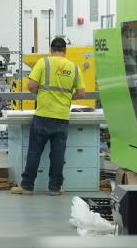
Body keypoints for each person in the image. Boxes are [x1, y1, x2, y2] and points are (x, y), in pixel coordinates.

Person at [12, 37, 86, 196]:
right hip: (62, 117)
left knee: (34, 152)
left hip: (43, 116)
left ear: (51, 50)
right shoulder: (74, 67)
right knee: (58, 154)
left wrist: (41, 94)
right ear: (65, 51)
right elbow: (81, 93)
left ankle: (27, 186)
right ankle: (55, 188)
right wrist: (66, 98)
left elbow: (31, 85)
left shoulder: (43, 62)